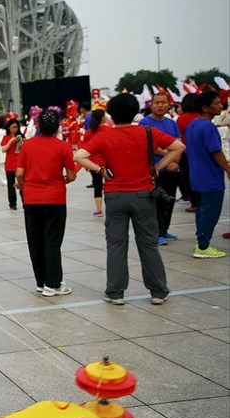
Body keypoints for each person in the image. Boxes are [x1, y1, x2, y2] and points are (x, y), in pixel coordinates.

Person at [74, 93, 185, 306]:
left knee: (116, 244)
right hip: (143, 194)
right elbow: (179, 147)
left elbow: (78, 156)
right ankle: (158, 291)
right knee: (148, 244)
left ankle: (116, 292)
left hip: (115, 195)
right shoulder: (147, 131)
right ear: (136, 112)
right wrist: (158, 167)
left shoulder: (104, 136)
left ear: (111, 115)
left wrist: (101, 170)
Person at [16, 110, 77, 296]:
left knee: (35, 241)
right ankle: (53, 283)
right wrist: (62, 180)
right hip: (54, 198)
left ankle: (41, 281)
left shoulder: (28, 145)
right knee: (52, 241)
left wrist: (23, 185)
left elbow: (19, 173)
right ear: (57, 126)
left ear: (39, 125)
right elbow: (72, 175)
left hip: (32, 198)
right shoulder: (63, 146)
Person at [184, 90, 230, 258]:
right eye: (216, 103)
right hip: (210, 178)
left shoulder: (192, 125)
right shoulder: (208, 127)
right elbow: (216, 152)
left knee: (202, 210)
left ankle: (201, 242)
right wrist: (228, 169)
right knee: (211, 212)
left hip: (196, 176)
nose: (220, 105)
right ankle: (203, 247)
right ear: (205, 107)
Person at [139, 92, 182, 245]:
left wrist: (175, 160)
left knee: (169, 200)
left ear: (168, 104)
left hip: (173, 168)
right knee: (157, 203)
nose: (160, 105)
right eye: (157, 102)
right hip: (155, 169)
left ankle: (165, 229)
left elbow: (179, 143)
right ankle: (157, 233)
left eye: (163, 102)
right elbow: (150, 146)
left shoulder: (172, 123)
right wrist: (168, 156)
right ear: (151, 105)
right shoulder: (144, 123)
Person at [81, 109, 110, 217]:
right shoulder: (109, 130)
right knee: (110, 184)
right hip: (108, 163)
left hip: (94, 164)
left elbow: (84, 148)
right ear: (103, 118)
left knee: (97, 185)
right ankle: (111, 206)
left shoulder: (89, 133)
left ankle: (99, 210)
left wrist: (86, 164)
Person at [1, 118, 24, 210]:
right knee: (11, 186)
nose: (15, 129)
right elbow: (3, 149)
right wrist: (11, 141)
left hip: (20, 164)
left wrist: (21, 141)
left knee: (22, 184)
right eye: (13, 127)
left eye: (16, 127)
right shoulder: (6, 137)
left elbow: (25, 148)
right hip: (10, 164)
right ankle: (12, 204)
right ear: (9, 128)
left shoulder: (21, 136)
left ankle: (25, 202)